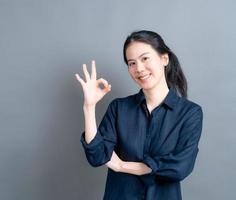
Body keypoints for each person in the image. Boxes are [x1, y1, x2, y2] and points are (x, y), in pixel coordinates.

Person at [75, 30, 203, 200]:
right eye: (132, 63)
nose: (139, 69)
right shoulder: (119, 108)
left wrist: (122, 166)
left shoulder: (189, 113)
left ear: (164, 59)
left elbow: (180, 167)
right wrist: (89, 107)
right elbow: (97, 156)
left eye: (145, 58)